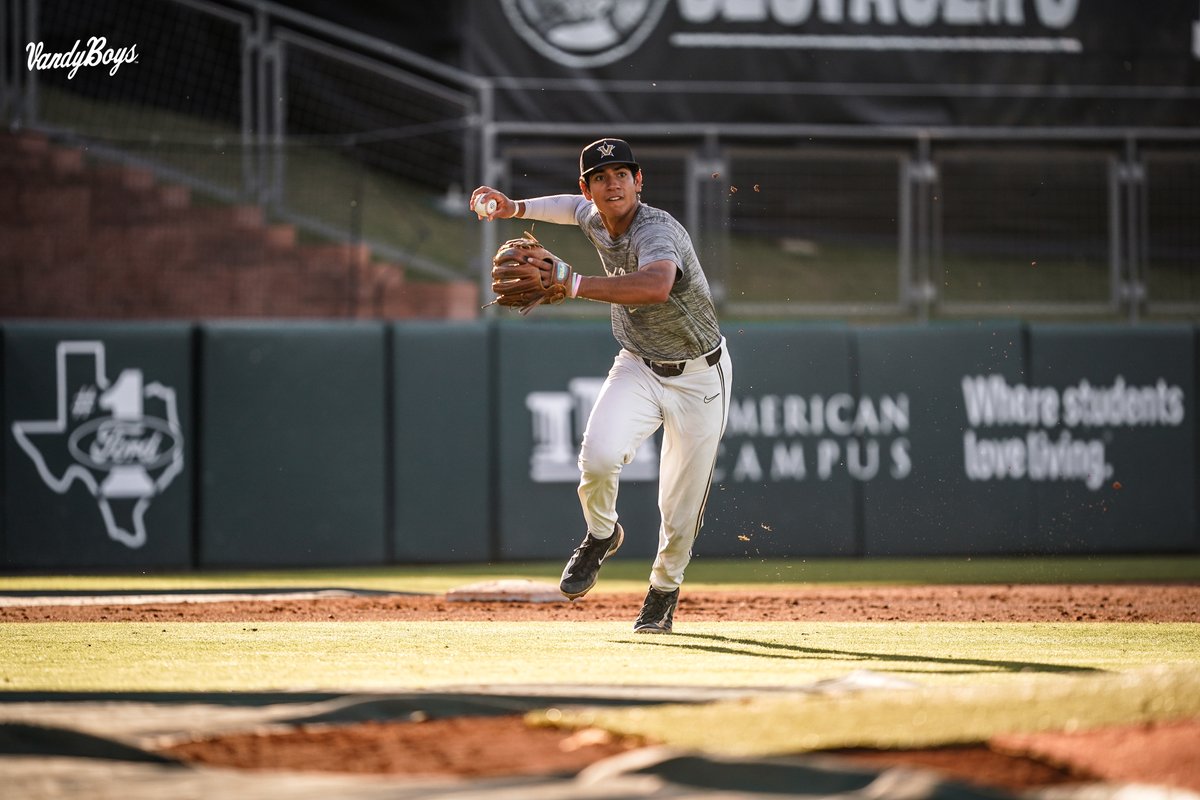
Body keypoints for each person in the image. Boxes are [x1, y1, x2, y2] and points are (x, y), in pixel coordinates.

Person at [470, 137, 732, 633]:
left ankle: (663, 591)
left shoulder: (657, 230)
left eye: (621, 175)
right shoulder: (593, 213)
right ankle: (601, 533)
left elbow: (656, 285)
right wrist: (514, 207)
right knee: (597, 458)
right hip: (638, 363)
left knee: (679, 508)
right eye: (600, 178)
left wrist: (571, 282)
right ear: (588, 187)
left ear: (639, 181)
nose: (612, 185)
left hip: (700, 376)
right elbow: (570, 209)